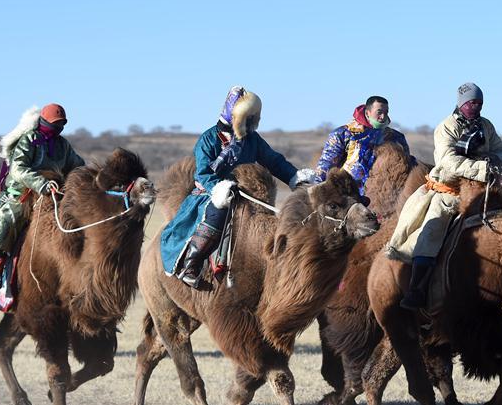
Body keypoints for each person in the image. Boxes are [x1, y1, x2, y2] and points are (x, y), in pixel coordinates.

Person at [162, 85, 317, 287]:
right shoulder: (208, 139)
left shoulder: (252, 140)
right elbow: (202, 172)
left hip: (246, 194)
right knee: (217, 213)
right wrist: (221, 188)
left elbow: (273, 161)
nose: (255, 120)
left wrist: (294, 177)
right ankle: (191, 264)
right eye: (251, 116)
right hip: (211, 194)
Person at [387, 82, 502, 310]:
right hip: (450, 191)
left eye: (480, 103)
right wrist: (481, 167)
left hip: (486, 188)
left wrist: (495, 160)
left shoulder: (486, 126)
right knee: (431, 233)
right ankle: (417, 290)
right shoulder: (446, 127)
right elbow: (449, 162)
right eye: (472, 102)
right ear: (462, 103)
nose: (476, 107)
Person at [0, 103, 85, 294]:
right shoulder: (30, 139)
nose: (58, 127)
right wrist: (41, 183)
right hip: (24, 192)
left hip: (56, 192)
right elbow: (18, 168)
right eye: (55, 123)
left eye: (61, 123)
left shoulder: (63, 145)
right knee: (8, 217)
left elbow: (77, 166)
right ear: (44, 121)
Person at [314, 96, 415, 196]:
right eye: (379, 112)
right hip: (349, 196)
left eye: (386, 112)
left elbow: (406, 166)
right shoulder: (343, 134)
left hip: (386, 195)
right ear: (367, 113)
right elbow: (326, 166)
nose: (383, 117)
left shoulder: (396, 138)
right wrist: (318, 192)